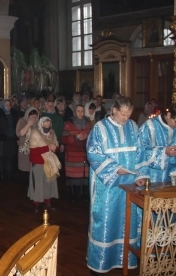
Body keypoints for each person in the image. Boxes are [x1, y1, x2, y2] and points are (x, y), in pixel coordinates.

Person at [86, 96, 146, 275]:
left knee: (128, 221)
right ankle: (100, 264)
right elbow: (93, 154)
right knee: (105, 222)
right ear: (114, 110)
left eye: (129, 114)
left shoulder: (134, 127)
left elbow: (140, 154)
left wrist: (140, 175)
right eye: (123, 114)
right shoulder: (100, 128)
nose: (126, 118)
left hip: (129, 186)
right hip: (107, 187)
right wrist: (115, 168)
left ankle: (125, 260)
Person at [28, 117, 60, 212]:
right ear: (41, 125)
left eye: (48, 125)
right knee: (38, 183)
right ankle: (36, 203)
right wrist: (48, 148)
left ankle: (48, 201)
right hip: (38, 162)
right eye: (44, 125)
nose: (47, 127)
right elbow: (33, 151)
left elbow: (56, 145)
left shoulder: (52, 132)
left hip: (49, 161)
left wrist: (55, 148)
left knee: (49, 183)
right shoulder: (35, 133)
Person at [136, 108, 176, 183]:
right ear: (169, 115)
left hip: (172, 176)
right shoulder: (149, 126)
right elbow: (141, 151)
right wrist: (164, 151)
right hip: (153, 175)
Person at [62, 104, 92, 202]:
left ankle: (83, 195)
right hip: (72, 154)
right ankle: (73, 196)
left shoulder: (88, 123)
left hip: (84, 153)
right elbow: (63, 139)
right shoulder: (68, 124)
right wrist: (76, 138)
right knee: (73, 176)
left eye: (82, 111)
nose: (80, 113)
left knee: (84, 175)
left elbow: (93, 137)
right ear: (75, 112)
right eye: (78, 111)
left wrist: (87, 137)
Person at [0, 99, 19, 182]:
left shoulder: (14, 114)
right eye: (6, 105)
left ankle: (10, 173)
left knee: (11, 157)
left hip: (12, 139)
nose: (8, 106)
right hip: (2, 139)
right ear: (3, 105)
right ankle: (3, 174)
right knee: (2, 157)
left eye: (9, 105)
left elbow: (16, 126)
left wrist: (17, 138)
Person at [16, 106, 39, 185]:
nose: (34, 119)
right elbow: (19, 133)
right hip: (24, 149)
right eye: (32, 117)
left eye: (35, 117)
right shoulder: (22, 121)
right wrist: (28, 125)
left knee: (34, 171)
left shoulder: (38, 123)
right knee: (25, 170)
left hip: (35, 149)